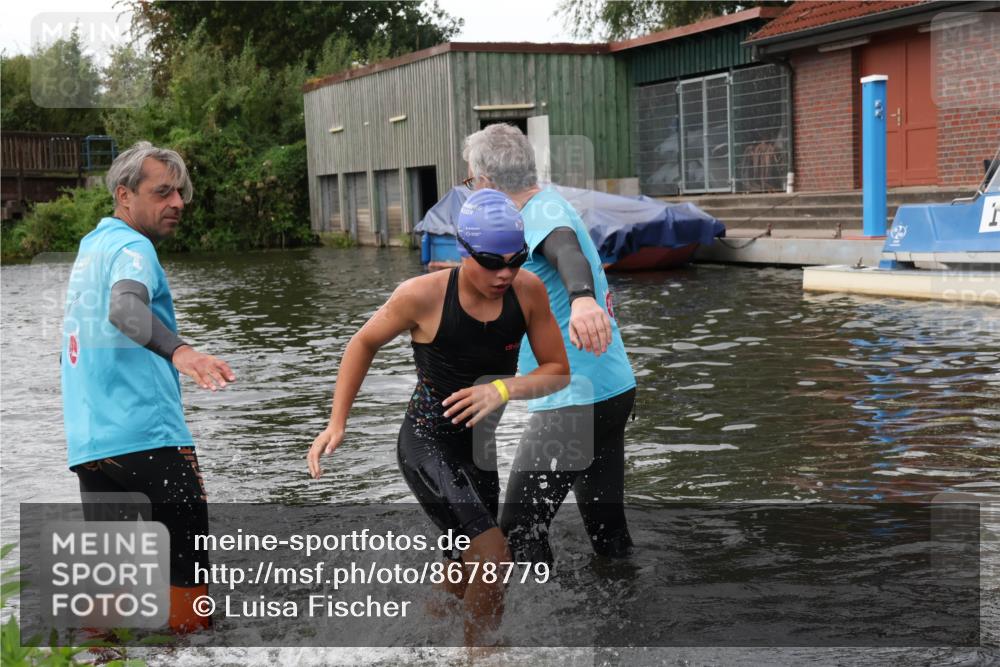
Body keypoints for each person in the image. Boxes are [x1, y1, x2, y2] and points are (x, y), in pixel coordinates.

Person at [308, 189, 569, 646]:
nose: (505, 273)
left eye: (516, 259)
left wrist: (503, 387)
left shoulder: (528, 291)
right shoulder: (421, 296)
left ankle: (416, 641)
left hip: (478, 452)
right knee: (494, 555)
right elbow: (362, 343)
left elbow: (557, 371)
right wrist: (337, 421)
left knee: (467, 565)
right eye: (492, 262)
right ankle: (480, 657)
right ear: (463, 250)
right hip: (427, 445)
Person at [61, 141, 236, 634]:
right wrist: (183, 352)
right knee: (190, 595)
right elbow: (124, 309)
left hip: (92, 448)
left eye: (179, 192)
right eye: (163, 192)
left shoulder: (92, 246)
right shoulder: (134, 248)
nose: (177, 203)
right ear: (124, 195)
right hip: (151, 441)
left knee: (105, 599)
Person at [462, 123, 637, 565]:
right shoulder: (551, 201)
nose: (470, 192)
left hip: (574, 400)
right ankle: (623, 620)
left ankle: (534, 628)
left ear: (485, 182)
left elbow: (566, 251)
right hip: (610, 389)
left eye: (469, 181)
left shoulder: (536, 213)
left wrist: (582, 300)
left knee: (518, 532)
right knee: (607, 532)